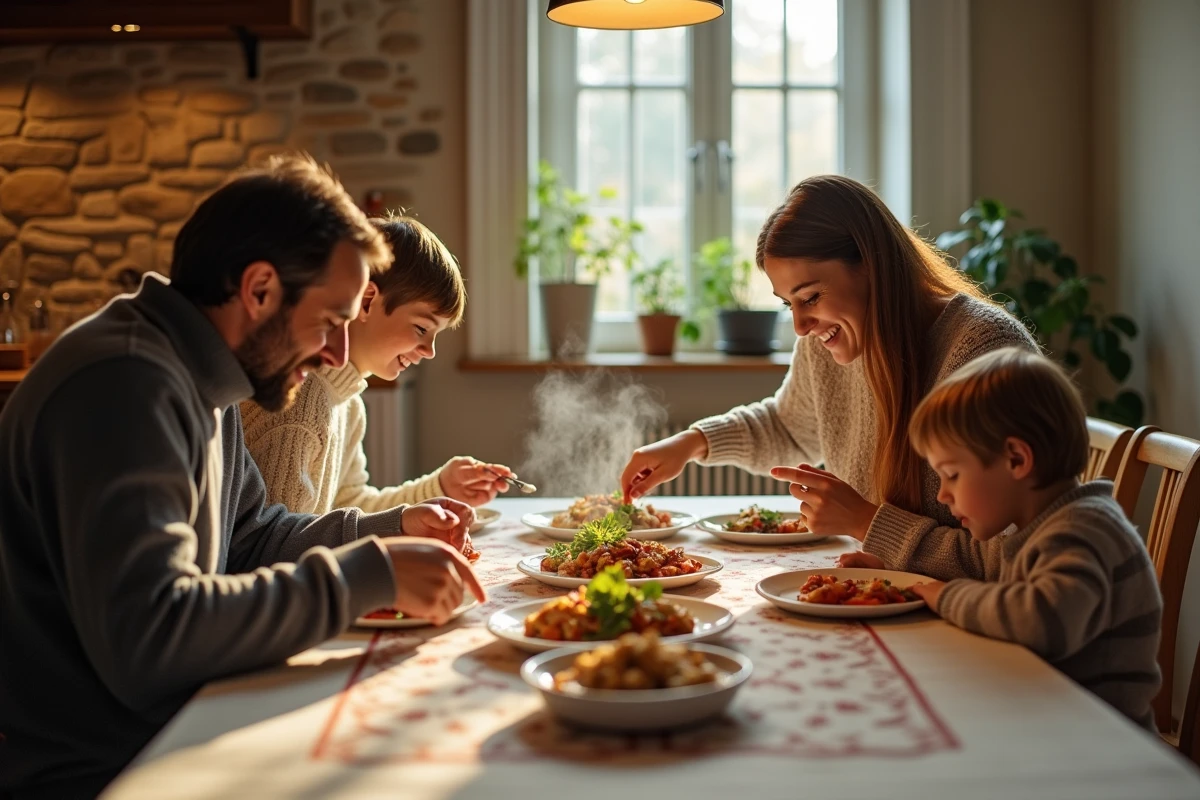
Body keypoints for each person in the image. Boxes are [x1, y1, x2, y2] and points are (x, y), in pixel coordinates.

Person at [0, 154, 485, 799]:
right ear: (259, 290)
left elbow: (253, 535)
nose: (338, 355)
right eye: (330, 322)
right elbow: (153, 638)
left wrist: (388, 532)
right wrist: (368, 575)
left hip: (178, 728)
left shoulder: (207, 380)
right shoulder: (124, 382)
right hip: (113, 769)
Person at [620, 175, 1037, 549]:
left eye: (811, 297)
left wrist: (865, 522)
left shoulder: (986, 351)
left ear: (873, 266)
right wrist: (691, 443)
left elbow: (1012, 555)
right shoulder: (830, 343)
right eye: (789, 306)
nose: (801, 327)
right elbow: (789, 425)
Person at [839, 348, 1162, 730]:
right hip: (1046, 713)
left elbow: (1042, 621)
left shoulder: (1082, 530)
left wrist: (943, 596)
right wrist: (899, 580)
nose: (943, 494)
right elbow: (979, 565)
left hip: (1103, 745)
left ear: (1016, 460)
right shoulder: (1038, 525)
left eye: (952, 474)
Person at [241, 214, 513, 515]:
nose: (429, 351)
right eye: (422, 329)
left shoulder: (347, 404)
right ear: (368, 301)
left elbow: (350, 505)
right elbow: (275, 542)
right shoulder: (302, 399)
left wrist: (440, 488)